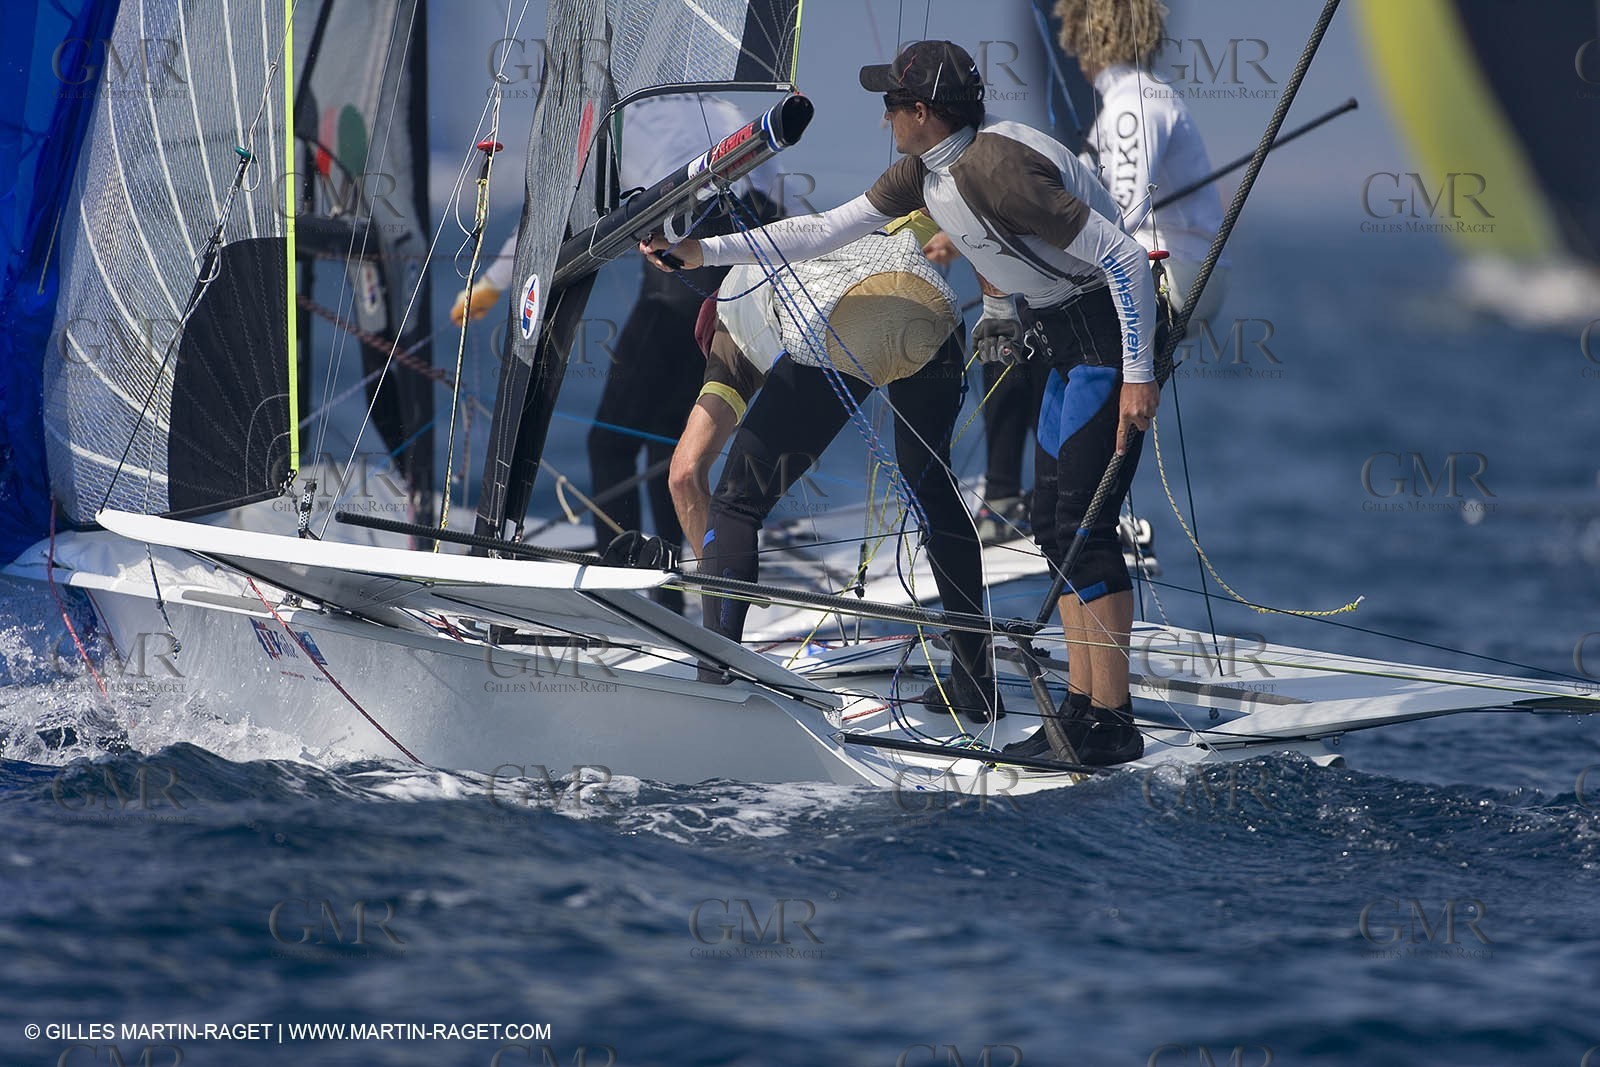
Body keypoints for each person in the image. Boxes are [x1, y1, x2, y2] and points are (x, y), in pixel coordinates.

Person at [641, 41, 1161, 762]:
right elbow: (821, 230)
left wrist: (1139, 371)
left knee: (1081, 522)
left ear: (922, 112)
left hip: (1104, 335)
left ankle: (1113, 718)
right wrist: (706, 251)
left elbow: (1126, 259)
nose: (882, 115)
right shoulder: (928, 170)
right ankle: (1074, 708)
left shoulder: (993, 168)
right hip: (1041, 337)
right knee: (1049, 519)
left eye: (892, 104)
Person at [659, 206, 1005, 722]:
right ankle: (976, 684)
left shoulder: (725, 325)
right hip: (934, 308)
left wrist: (718, 576)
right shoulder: (814, 233)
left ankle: (717, 682)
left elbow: (685, 474)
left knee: (736, 505)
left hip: (849, 316)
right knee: (932, 492)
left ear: (705, 321)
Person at [453, 95, 777, 613]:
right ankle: (671, 593)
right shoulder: (726, 105)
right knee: (660, 448)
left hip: (685, 286)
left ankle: (624, 595)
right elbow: (769, 193)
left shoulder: (614, 115)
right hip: (745, 280)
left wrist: (492, 283)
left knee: (609, 443)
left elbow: (554, 207)